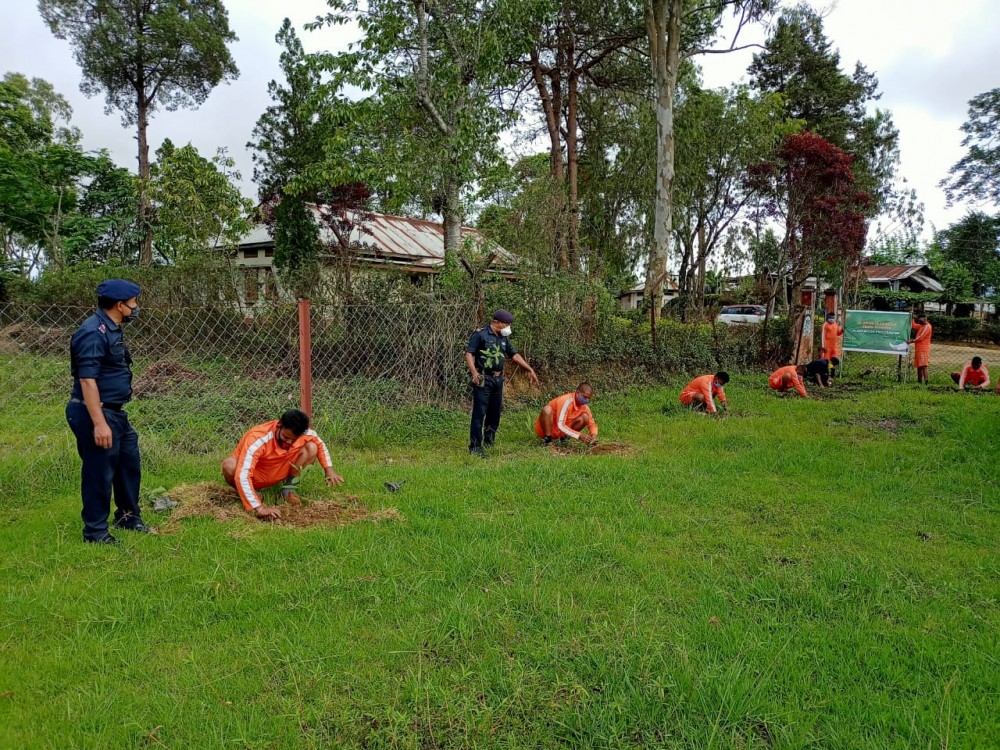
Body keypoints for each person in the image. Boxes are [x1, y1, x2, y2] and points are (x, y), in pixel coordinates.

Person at [66, 279, 149, 544]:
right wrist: (99, 423)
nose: (136, 307)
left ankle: (127, 516)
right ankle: (95, 532)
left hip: (115, 413)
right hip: (96, 414)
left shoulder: (112, 328)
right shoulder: (93, 332)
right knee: (98, 472)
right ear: (119, 305)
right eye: (133, 302)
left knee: (128, 464)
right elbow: (87, 381)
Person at [222, 409, 344, 521]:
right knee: (229, 466)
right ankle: (254, 495)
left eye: (293, 440)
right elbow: (243, 474)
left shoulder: (306, 433)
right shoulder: (258, 437)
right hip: (255, 476)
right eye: (285, 437)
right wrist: (259, 508)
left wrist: (329, 469)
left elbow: (320, 444)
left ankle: (287, 492)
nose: (288, 443)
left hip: (280, 471)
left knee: (312, 447)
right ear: (279, 426)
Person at [464, 309, 539, 457]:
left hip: (498, 380)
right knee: (480, 413)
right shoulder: (480, 334)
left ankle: (489, 441)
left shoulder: (503, 338)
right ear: (497, 322)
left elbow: (514, 355)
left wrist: (529, 369)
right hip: (483, 378)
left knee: (494, 413)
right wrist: (474, 372)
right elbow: (469, 353)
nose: (508, 327)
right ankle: (475, 447)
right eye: (507, 324)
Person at [908, 313, 933, 384]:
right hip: (918, 349)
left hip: (923, 349)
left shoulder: (927, 327)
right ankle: (919, 382)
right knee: (919, 366)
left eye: (920, 320)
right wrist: (912, 318)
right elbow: (913, 325)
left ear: (925, 318)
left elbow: (921, 337)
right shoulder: (921, 326)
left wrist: (911, 341)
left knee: (924, 365)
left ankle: (926, 383)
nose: (919, 321)